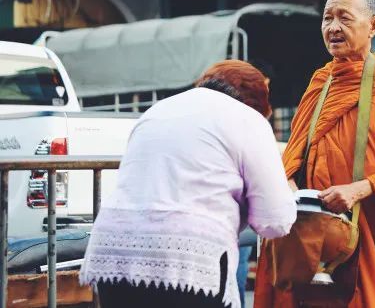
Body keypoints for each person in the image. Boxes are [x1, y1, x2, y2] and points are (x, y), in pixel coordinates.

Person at [254, 0, 375, 307]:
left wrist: (359, 190)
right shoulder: (320, 82)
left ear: (373, 25)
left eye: (344, 18)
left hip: (367, 231)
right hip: (310, 234)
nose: (333, 27)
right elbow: (295, 153)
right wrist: (290, 186)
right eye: (327, 18)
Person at [80, 61, 296, 308]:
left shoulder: (157, 110)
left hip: (114, 250)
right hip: (189, 257)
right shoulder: (248, 119)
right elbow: (275, 221)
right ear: (257, 102)